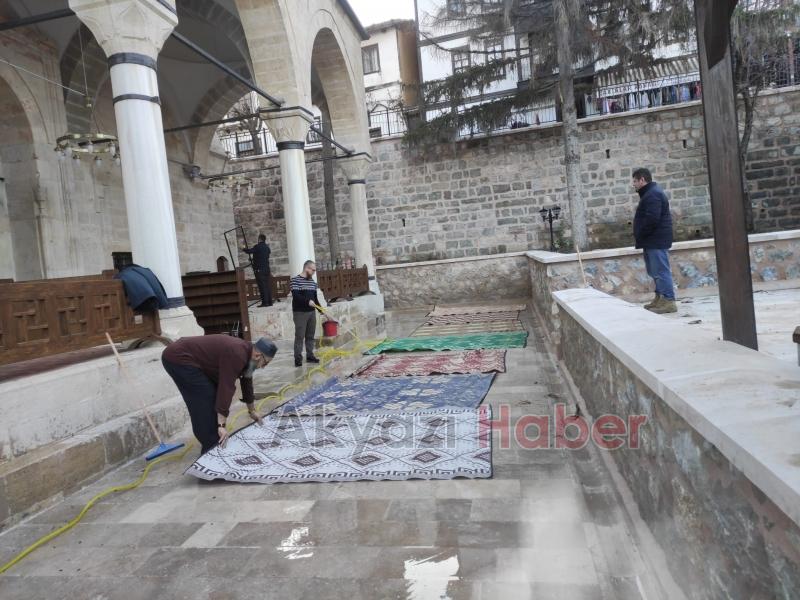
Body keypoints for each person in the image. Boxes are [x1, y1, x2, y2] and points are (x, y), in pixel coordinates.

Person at [162, 335, 277, 454]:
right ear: (258, 355)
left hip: (190, 358)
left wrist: (252, 411)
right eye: (265, 363)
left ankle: (213, 437)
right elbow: (226, 387)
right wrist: (221, 425)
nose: (263, 367)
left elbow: (247, 382)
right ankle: (210, 448)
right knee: (205, 398)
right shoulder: (237, 354)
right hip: (179, 358)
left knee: (213, 396)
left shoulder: (249, 356)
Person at [632, 168, 677, 314]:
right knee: (655, 271)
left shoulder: (653, 194)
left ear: (642, 180)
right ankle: (660, 298)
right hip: (652, 240)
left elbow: (652, 219)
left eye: (635, 181)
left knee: (661, 271)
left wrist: (641, 233)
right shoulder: (650, 193)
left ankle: (668, 301)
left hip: (656, 240)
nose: (633, 184)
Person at [290, 260, 321, 367]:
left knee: (310, 336)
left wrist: (321, 311)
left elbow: (315, 299)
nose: (314, 272)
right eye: (313, 270)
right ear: (306, 268)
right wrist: (307, 301)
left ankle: (310, 356)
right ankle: (298, 359)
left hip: (311, 312)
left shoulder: (312, 282)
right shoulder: (295, 280)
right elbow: (296, 296)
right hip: (300, 313)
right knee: (300, 336)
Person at [243, 234, 272, 307]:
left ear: (259, 239)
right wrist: (254, 259)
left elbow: (249, 251)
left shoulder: (257, 246)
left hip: (260, 270)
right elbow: (262, 257)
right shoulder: (267, 248)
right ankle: (269, 302)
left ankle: (265, 303)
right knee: (267, 286)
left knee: (262, 287)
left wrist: (243, 248)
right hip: (267, 269)